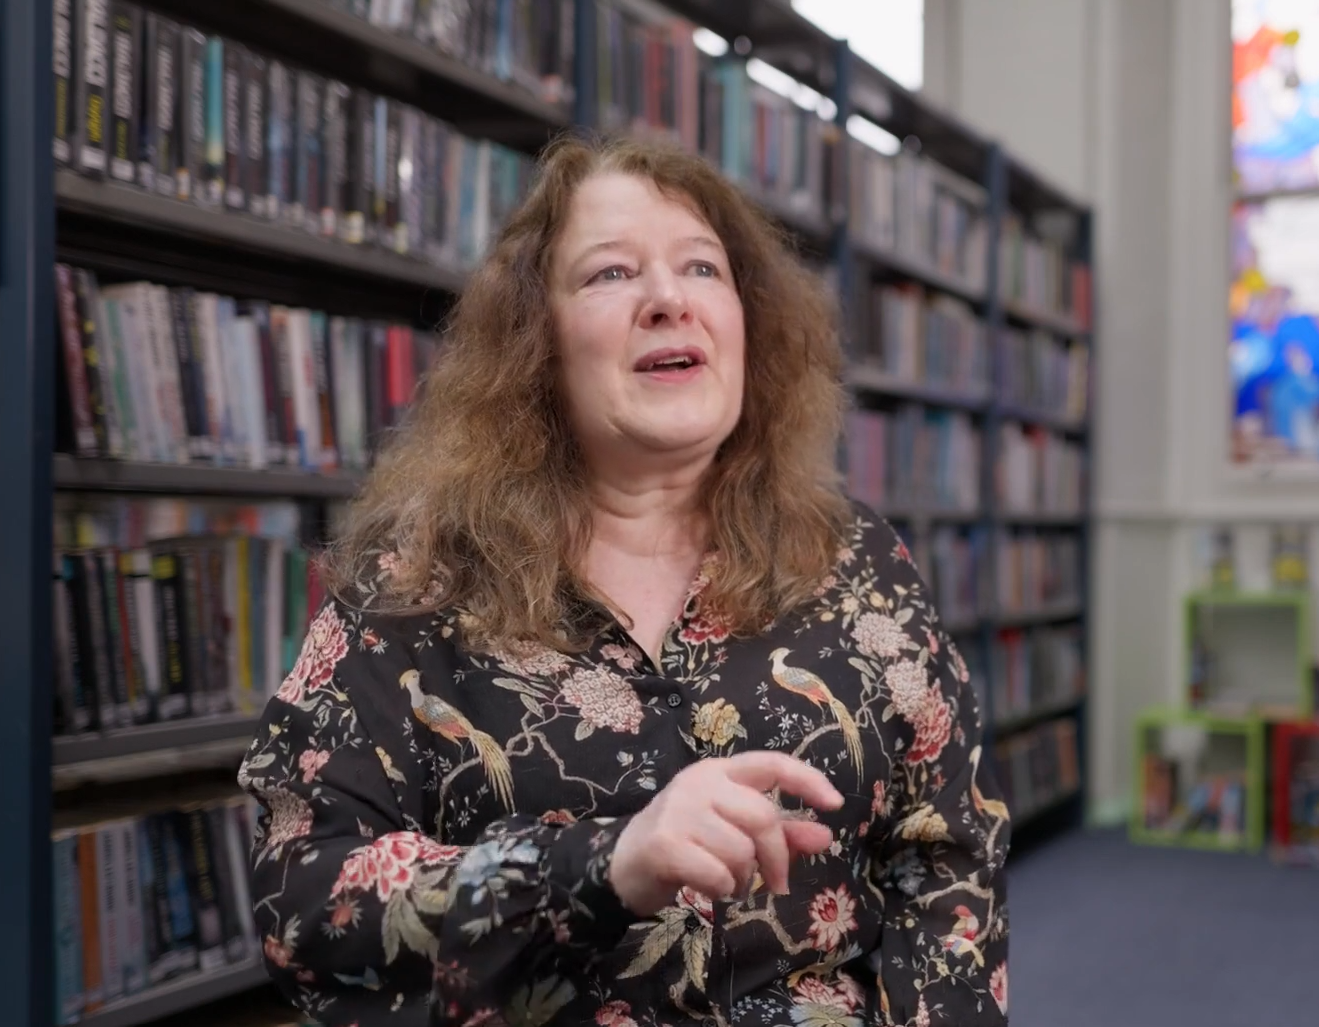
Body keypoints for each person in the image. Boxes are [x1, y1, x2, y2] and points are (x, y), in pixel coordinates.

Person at [238, 132, 1011, 1027]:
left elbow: (949, 852)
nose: (668, 299)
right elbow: (304, 900)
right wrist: (601, 865)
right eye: (610, 273)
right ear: (536, 339)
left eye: (702, 268)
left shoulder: (855, 559)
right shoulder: (415, 581)